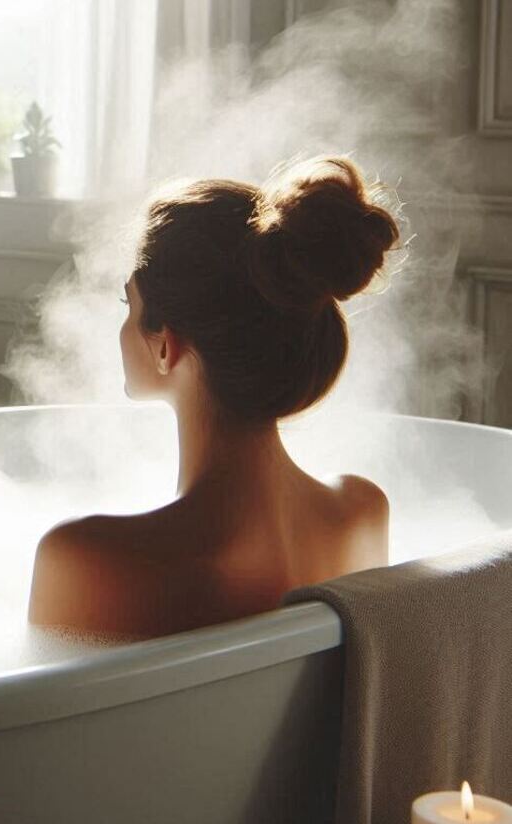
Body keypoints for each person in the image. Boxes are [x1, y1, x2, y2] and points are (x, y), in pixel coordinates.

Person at [28, 156, 397, 639]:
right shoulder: (362, 512)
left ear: (165, 345)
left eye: (129, 304)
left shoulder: (86, 557)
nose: (121, 326)